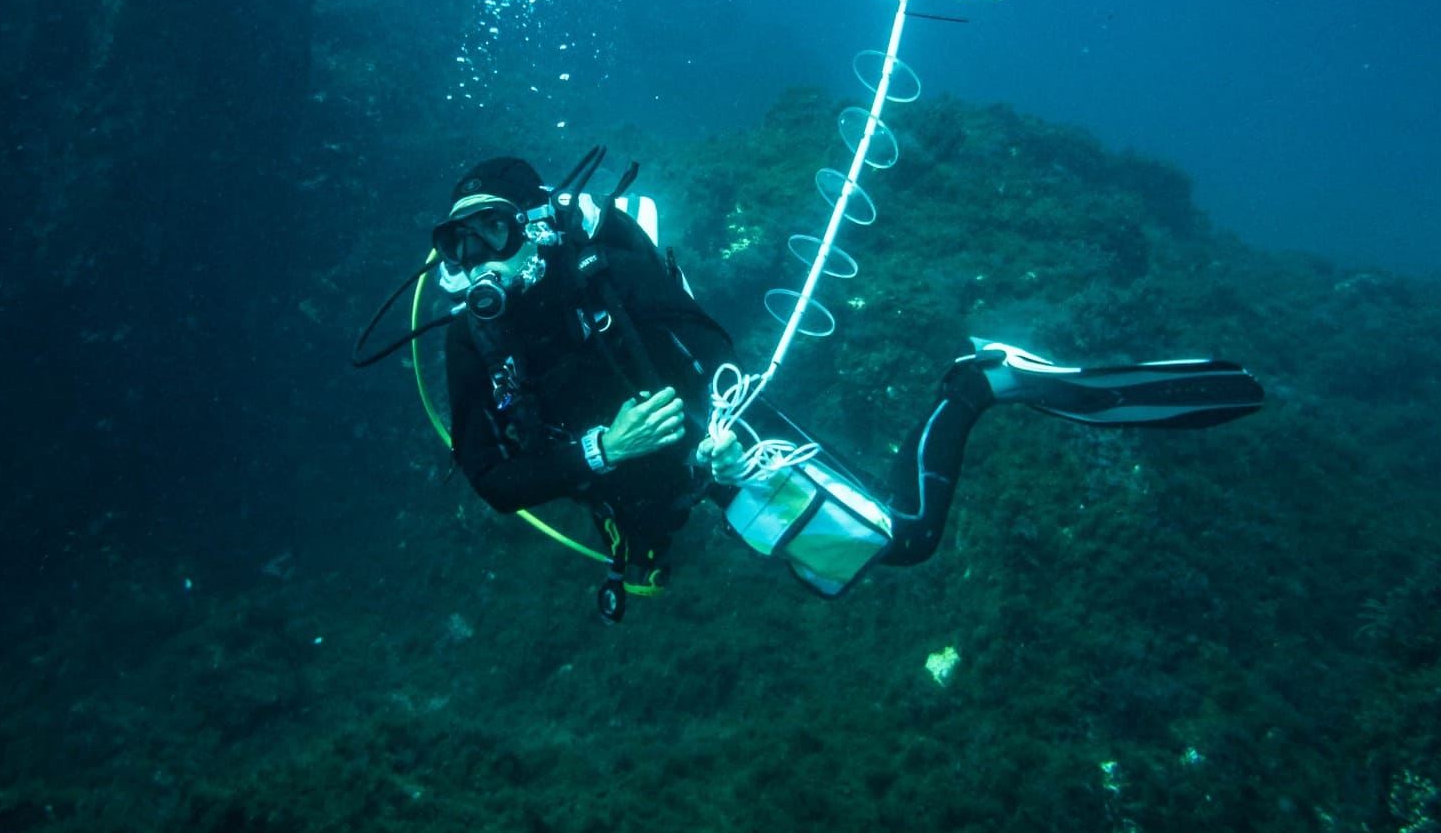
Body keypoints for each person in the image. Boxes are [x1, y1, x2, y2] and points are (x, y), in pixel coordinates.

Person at [415, 152, 1264, 622]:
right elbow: (491, 479)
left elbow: (705, 333)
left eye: (489, 232)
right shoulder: (471, 337)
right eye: (457, 246)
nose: (474, 263)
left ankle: (978, 384)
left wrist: (712, 417)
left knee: (907, 540)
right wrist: (607, 449)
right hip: (647, 490)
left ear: (530, 222)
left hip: (726, 444)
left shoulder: (598, 270)